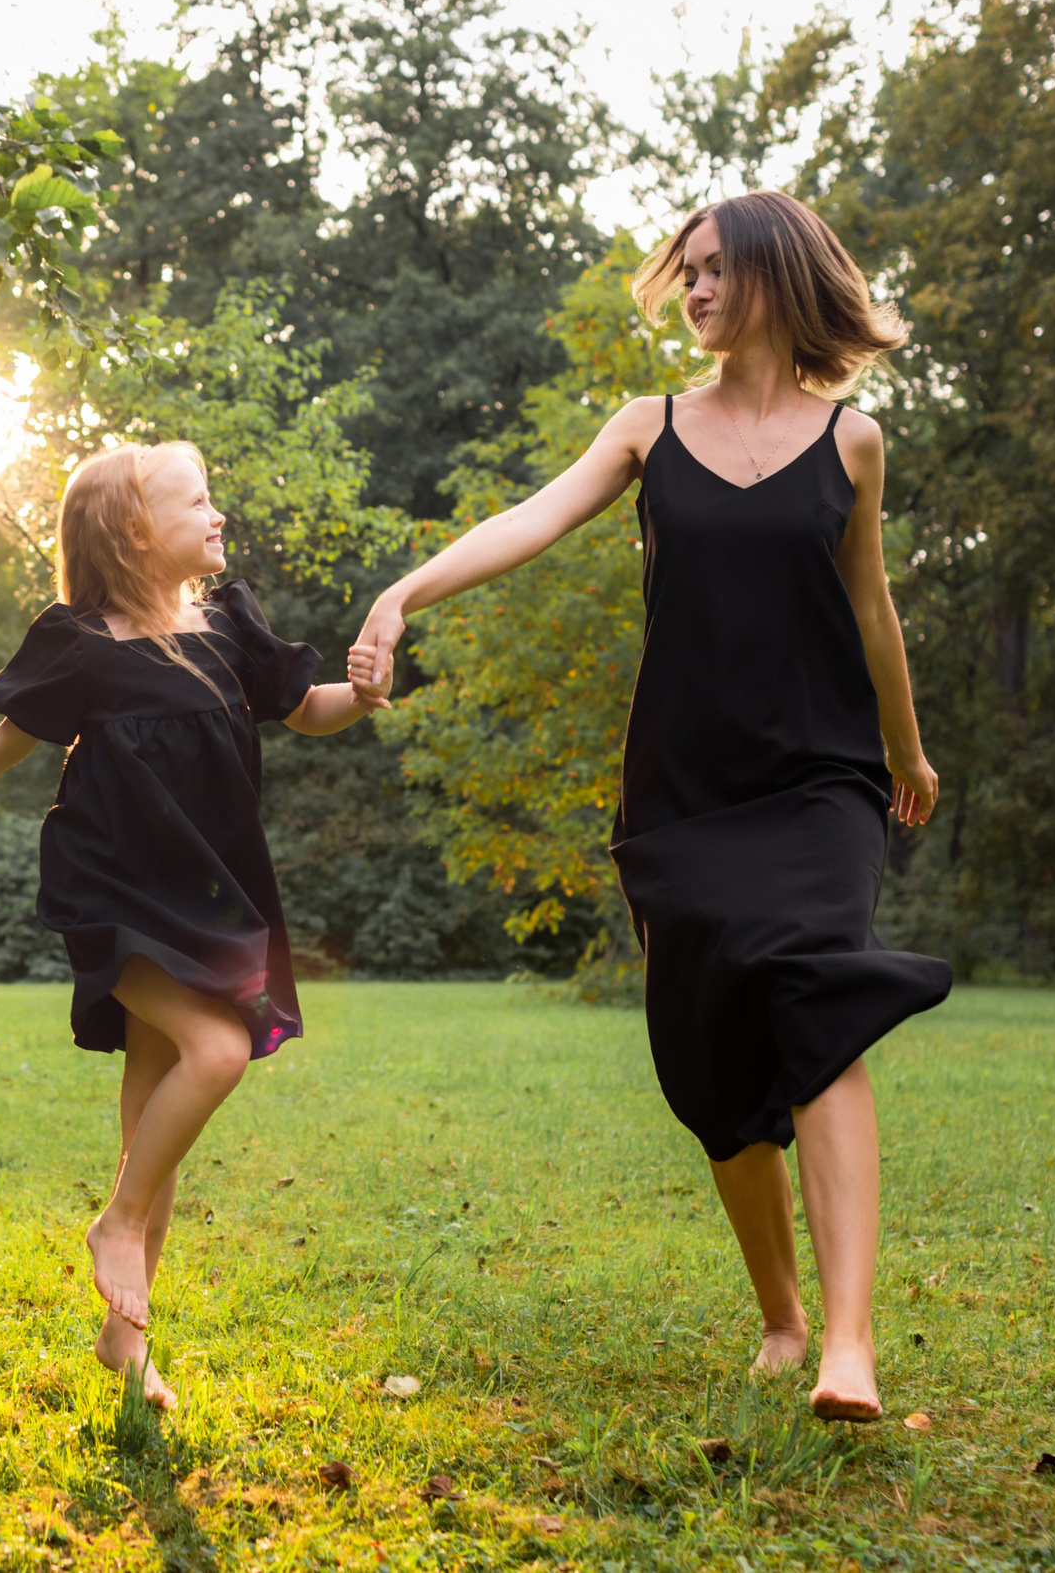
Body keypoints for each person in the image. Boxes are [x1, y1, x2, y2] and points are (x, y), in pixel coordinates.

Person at [347, 191, 951, 1423]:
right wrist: (404, 593)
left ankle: (848, 1346)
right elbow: (534, 518)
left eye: (720, 270)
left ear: (779, 279)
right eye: (688, 272)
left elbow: (870, 606)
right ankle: (780, 1318)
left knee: (822, 994)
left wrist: (906, 749)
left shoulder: (853, 441)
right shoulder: (648, 428)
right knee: (709, 1049)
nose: (696, 290)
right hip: (683, 785)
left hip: (819, 778)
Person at [0, 441, 383, 1410]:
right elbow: (5, 742)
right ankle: (118, 1225)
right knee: (217, 1054)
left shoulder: (230, 626)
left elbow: (305, 711)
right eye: (199, 502)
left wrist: (361, 691)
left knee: (154, 1117)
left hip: (210, 888)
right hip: (112, 886)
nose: (219, 513)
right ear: (137, 532)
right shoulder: (81, 645)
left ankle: (125, 1340)